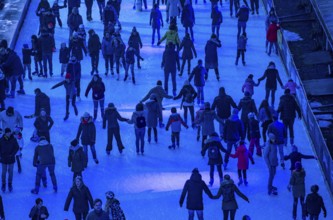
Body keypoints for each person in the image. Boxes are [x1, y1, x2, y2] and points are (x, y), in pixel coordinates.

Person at [0, 128, 19, 192]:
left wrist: (13, 154)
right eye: (7, 132)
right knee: (3, 172)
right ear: (5, 133)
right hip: (4, 159)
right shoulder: (1, 140)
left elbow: (17, 147)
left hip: (11, 158)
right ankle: (3, 184)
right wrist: (1, 155)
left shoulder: (13, 139)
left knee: (10, 172)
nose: (9, 133)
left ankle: (10, 184)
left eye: (9, 132)